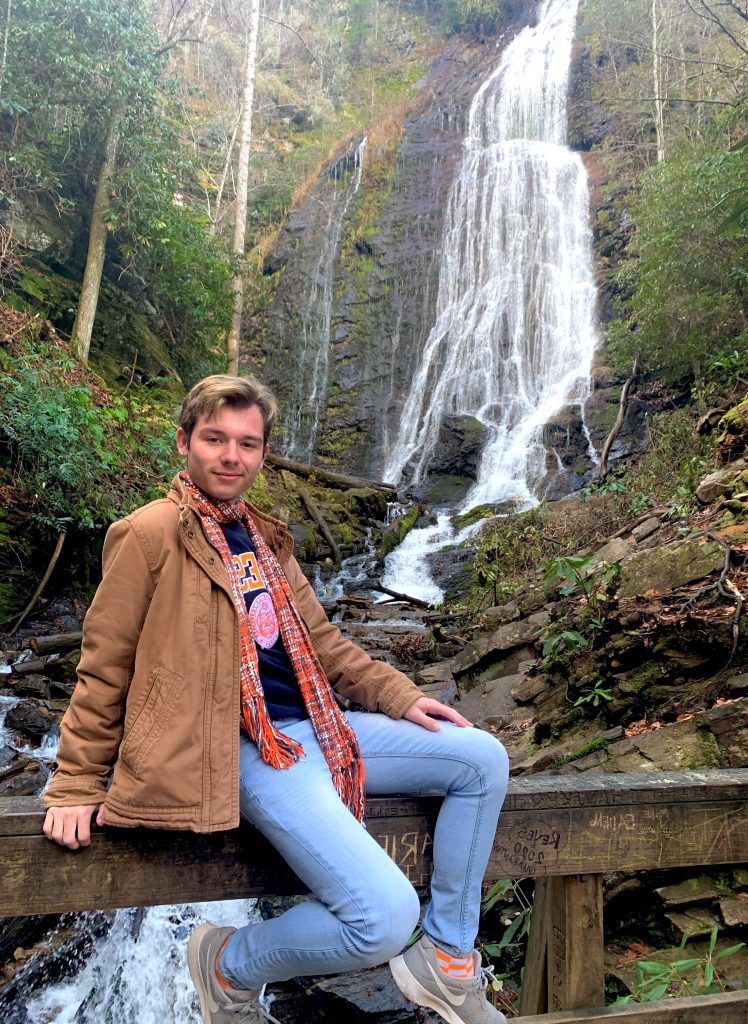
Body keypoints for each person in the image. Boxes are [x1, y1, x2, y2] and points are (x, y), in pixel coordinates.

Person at [42, 375, 510, 1024]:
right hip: (246, 751)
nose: (232, 455)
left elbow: (321, 643)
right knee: (383, 916)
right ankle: (226, 965)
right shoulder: (146, 534)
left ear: (263, 455)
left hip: (318, 726)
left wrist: (400, 698)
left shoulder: (265, 538)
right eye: (215, 439)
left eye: (248, 443)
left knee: (480, 759)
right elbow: (103, 667)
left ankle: (450, 961)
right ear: (184, 443)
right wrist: (74, 784)